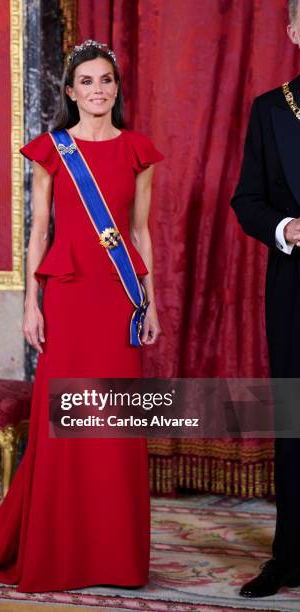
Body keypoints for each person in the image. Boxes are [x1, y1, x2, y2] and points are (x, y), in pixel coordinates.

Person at [0, 40, 164, 592]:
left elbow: (142, 232)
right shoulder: (52, 151)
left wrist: (151, 301)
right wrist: (30, 302)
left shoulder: (138, 150)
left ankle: (115, 557)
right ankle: (58, 550)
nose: (99, 90)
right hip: (69, 294)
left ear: (117, 88)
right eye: (87, 81)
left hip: (119, 298)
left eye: (107, 80)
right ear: (70, 89)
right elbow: (38, 232)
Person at [231, 1, 300, 598]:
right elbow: (246, 201)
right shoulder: (270, 110)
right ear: (294, 31)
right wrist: (287, 229)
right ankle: (290, 556)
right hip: (294, 286)